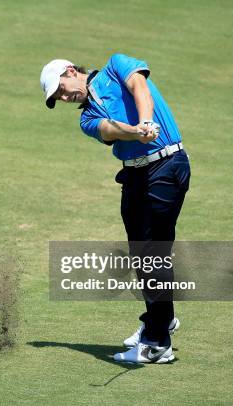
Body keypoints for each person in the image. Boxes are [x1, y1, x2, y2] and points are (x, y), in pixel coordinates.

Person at [40, 54, 190, 364]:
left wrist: (146, 121)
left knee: (152, 252)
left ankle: (157, 343)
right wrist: (134, 131)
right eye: (60, 98)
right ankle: (161, 320)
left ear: (71, 71)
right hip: (135, 176)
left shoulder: (115, 65)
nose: (66, 97)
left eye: (62, 89)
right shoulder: (86, 118)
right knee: (142, 253)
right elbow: (109, 129)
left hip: (165, 166)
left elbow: (139, 88)